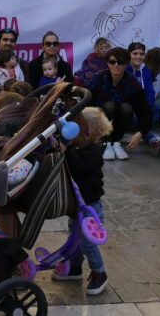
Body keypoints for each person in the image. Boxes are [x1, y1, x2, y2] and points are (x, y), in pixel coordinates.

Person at [51, 107, 112, 295]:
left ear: (86, 133)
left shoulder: (94, 151)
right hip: (77, 204)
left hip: (90, 207)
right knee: (75, 236)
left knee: (86, 242)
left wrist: (65, 150)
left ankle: (99, 273)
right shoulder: (80, 147)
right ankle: (75, 267)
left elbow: (77, 166)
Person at [86, 47, 152, 161]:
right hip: (99, 119)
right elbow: (86, 100)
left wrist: (140, 133)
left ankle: (115, 142)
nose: (116, 65)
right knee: (109, 106)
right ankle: (104, 142)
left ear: (126, 64)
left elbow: (144, 110)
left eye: (120, 62)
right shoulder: (98, 78)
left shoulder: (131, 82)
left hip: (120, 121)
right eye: (112, 62)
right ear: (108, 63)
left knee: (127, 107)